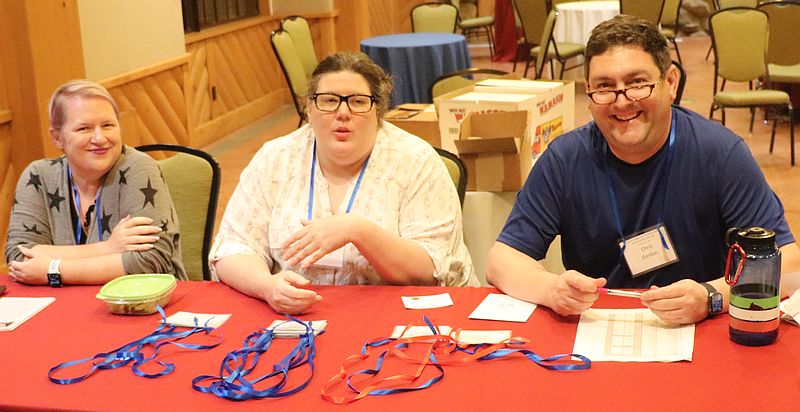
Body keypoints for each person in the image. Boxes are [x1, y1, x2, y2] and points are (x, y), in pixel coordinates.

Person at [486, 15, 800, 325]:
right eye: (605, 87)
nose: (622, 102)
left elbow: (789, 263)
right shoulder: (565, 159)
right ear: (589, 93)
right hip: (597, 328)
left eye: (637, 84)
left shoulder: (720, 154)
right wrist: (551, 289)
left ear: (671, 82)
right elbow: (502, 260)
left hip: (699, 330)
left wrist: (711, 296)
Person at [210, 51, 478, 314]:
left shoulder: (416, 161)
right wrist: (267, 286)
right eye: (329, 100)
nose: (343, 112)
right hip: (296, 317)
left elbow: (430, 270)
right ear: (309, 109)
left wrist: (358, 231)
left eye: (358, 102)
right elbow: (232, 249)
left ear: (378, 111)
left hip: (400, 316)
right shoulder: (275, 158)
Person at [6, 80, 186, 284]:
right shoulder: (39, 176)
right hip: (63, 301)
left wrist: (53, 269)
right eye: (84, 128)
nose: (99, 138)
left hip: (142, 300)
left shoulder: (138, 168)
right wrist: (107, 248)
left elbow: (149, 261)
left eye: (108, 125)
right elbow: (19, 256)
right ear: (57, 137)